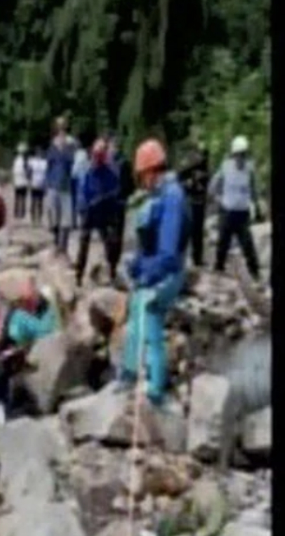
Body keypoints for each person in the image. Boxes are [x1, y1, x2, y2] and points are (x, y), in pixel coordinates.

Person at [120, 138, 191, 407]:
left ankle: (154, 388)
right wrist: (136, 265)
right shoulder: (162, 195)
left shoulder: (172, 198)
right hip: (160, 269)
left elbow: (168, 254)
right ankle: (128, 372)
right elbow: (150, 247)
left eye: (142, 176)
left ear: (151, 171)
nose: (141, 183)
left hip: (169, 274)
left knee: (150, 313)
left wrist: (145, 273)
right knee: (137, 305)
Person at [0, 278, 59, 427]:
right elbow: (7, 340)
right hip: (0, 371)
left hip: (6, 369)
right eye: (25, 301)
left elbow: (47, 330)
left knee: (3, 414)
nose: (28, 304)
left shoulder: (44, 310)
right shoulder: (16, 315)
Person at [208, 135, 264, 280]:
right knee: (223, 242)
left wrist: (257, 208)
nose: (241, 157)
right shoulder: (226, 167)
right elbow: (214, 185)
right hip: (227, 211)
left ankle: (255, 272)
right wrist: (217, 199)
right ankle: (218, 268)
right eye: (239, 154)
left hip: (243, 213)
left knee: (247, 243)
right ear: (234, 154)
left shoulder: (249, 169)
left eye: (244, 154)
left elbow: (253, 190)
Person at [75, 138, 124, 287]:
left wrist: (108, 200)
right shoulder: (87, 170)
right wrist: (84, 207)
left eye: (102, 154)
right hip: (90, 209)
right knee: (84, 242)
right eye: (97, 154)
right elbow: (82, 192)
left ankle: (112, 271)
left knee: (110, 241)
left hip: (104, 209)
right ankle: (79, 274)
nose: (98, 158)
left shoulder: (110, 171)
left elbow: (116, 189)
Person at [45, 116, 76, 254]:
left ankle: (63, 246)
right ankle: (56, 243)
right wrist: (47, 184)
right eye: (59, 125)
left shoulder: (71, 143)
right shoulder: (53, 144)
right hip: (53, 184)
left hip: (66, 185)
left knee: (66, 218)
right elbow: (49, 165)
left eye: (63, 125)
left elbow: (71, 161)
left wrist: (65, 147)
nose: (61, 128)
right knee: (54, 215)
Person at [177, 143, 211, 267]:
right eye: (200, 154)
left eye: (204, 154)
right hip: (189, 202)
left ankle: (197, 259)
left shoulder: (205, 167)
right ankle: (182, 258)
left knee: (198, 232)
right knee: (186, 231)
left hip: (200, 201)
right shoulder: (189, 165)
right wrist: (189, 183)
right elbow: (179, 179)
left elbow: (207, 182)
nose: (202, 157)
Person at [71, 142, 91, 229]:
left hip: (74, 178)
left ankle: (73, 222)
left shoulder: (75, 154)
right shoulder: (85, 154)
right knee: (82, 200)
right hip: (82, 178)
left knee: (72, 202)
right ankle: (82, 221)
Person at [28, 146, 48, 225]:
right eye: (38, 153)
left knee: (38, 202)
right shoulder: (34, 162)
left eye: (39, 153)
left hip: (39, 184)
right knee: (36, 202)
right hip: (36, 184)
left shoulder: (43, 162)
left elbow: (46, 174)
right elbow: (29, 172)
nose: (39, 154)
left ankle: (37, 219)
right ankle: (34, 219)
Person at [11, 143, 30, 220]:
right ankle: (22, 213)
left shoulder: (15, 160)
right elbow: (27, 172)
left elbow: (13, 171)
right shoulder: (25, 161)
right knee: (22, 198)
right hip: (23, 182)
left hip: (17, 182)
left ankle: (16, 212)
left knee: (17, 198)